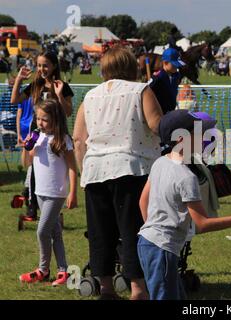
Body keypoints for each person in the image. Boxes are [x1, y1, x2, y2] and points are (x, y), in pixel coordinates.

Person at [137, 109, 231, 300]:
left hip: (147, 243)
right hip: (162, 250)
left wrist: (154, 231)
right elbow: (202, 223)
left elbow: (142, 201)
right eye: (198, 133)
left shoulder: (160, 162)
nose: (204, 137)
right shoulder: (187, 177)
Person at [72, 46, 163, 300]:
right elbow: (157, 124)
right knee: (132, 231)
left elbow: (79, 139)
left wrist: (83, 172)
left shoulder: (89, 97)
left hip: (95, 172)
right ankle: (137, 289)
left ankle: (106, 288)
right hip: (131, 170)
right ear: (131, 66)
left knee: (100, 233)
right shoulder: (141, 90)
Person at [18, 99, 77, 286]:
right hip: (40, 191)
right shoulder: (38, 137)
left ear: (56, 119)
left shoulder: (63, 140)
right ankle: (63, 270)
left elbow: (72, 168)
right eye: (38, 118)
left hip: (56, 192)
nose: (39, 123)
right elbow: (28, 162)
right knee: (55, 232)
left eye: (44, 119)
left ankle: (43, 269)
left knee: (42, 231)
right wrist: (28, 147)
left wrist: (73, 192)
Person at [11, 50, 74, 221]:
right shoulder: (35, 86)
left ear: (54, 66)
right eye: (39, 65)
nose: (41, 69)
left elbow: (68, 112)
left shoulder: (62, 86)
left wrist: (60, 95)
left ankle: (54, 207)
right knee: (33, 170)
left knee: (56, 170)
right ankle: (32, 206)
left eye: (45, 65)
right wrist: (19, 79)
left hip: (57, 135)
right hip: (36, 135)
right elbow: (15, 100)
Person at [149, 47, 184, 114]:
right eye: (174, 65)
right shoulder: (157, 78)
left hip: (171, 111)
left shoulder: (176, 76)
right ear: (165, 63)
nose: (177, 67)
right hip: (159, 113)